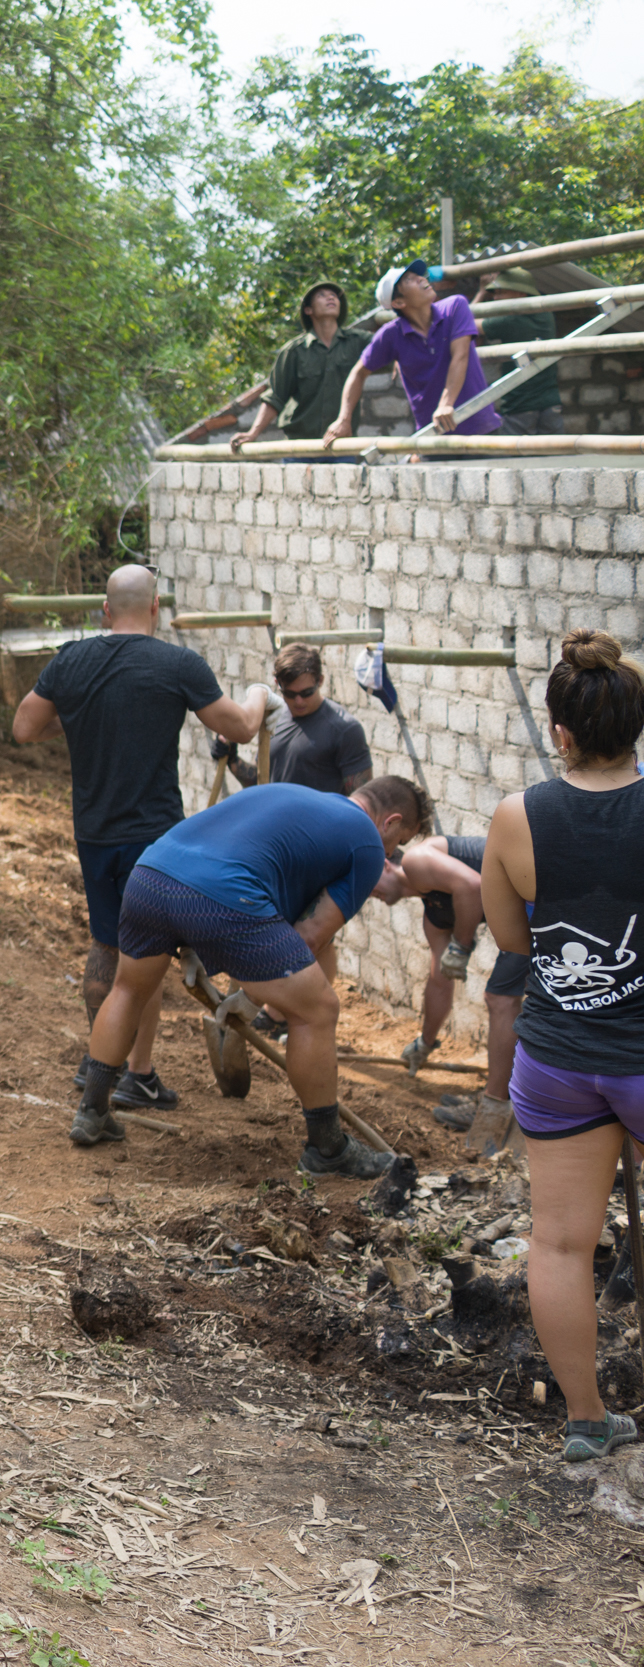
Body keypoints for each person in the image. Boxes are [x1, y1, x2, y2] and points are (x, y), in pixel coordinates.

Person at [73, 778, 426, 1177]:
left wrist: (189, 938)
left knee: (129, 989)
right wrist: (255, 996)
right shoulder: (365, 841)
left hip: (152, 873)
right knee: (318, 1009)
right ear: (390, 821)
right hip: (220, 893)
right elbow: (310, 936)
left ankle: (92, 1111)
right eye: (398, 843)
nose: (391, 855)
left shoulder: (290, 794)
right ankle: (328, 1150)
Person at [13, 564, 267, 1110]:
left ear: (105, 610)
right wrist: (258, 694)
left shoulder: (70, 661)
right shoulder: (177, 664)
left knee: (108, 946)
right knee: (146, 949)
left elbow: (25, 728)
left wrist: (78, 714)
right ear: (155, 609)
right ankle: (136, 1073)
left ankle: (104, 1063)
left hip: (94, 833)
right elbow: (240, 728)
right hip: (156, 840)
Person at [479, 629, 644, 1461]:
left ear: (562, 731)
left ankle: (586, 1419)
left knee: (561, 1242)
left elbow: (512, 934)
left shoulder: (519, 816)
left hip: (557, 1059)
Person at [322, 259, 503, 443]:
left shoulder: (455, 306)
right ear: (399, 302)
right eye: (409, 280)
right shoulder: (392, 334)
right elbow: (358, 372)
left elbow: (460, 356)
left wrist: (446, 405)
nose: (421, 279)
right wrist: (343, 420)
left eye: (419, 276)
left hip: (479, 430)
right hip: (432, 436)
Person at [230, 282, 371, 451]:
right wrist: (253, 434)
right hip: (299, 446)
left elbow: (390, 346)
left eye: (334, 295)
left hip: (340, 445)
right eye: (321, 295)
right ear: (308, 310)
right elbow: (275, 397)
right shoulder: (294, 351)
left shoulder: (358, 342)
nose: (331, 297)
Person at [217, 643, 373, 794]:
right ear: (278, 684)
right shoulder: (272, 719)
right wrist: (232, 760)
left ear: (320, 681)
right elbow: (261, 781)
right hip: (276, 820)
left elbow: (361, 802)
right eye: (290, 694)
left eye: (306, 693)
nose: (299, 701)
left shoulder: (345, 730)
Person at [395, 832, 485, 1076]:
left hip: (539, 892)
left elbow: (473, 885)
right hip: (526, 909)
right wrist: (425, 1042)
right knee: (502, 995)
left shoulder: (414, 861)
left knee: (501, 997)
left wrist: (461, 946)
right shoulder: (434, 917)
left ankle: (501, 1098)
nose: (370, 894)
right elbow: (440, 981)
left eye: (368, 885)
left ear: (384, 866)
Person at [476, 267, 567, 438]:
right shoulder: (545, 314)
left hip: (520, 407)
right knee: (555, 460)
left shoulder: (510, 321)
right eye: (493, 293)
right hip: (550, 404)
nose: (495, 298)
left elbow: (465, 323)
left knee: (516, 462)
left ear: (520, 294)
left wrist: (481, 292)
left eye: (501, 292)